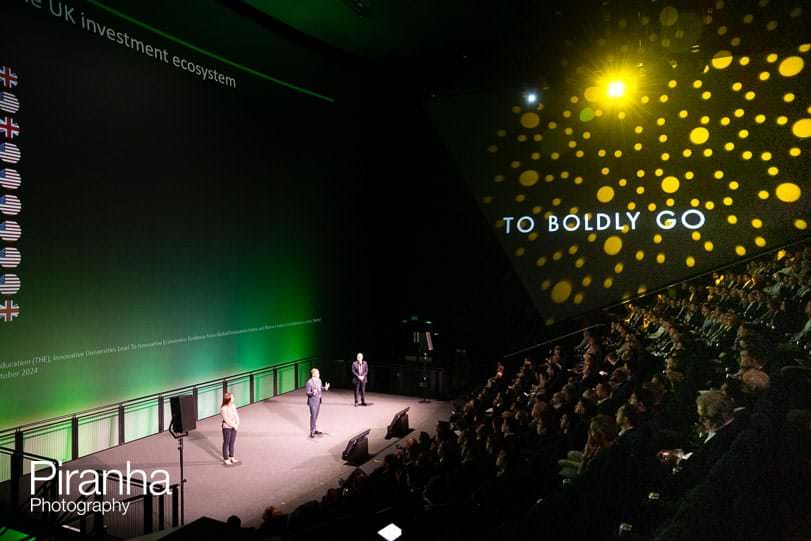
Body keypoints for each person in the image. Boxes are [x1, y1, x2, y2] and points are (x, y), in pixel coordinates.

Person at [306, 368, 330, 437]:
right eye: (317, 373)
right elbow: (307, 393)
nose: (319, 374)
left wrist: (325, 388)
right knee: (313, 416)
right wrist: (312, 393)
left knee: (316, 416)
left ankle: (315, 429)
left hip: (318, 401)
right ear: (313, 374)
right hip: (312, 401)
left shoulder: (319, 380)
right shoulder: (309, 382)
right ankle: (312, 431)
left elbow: (320, 388)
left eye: (319, 373)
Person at [220, 392, 240, 464]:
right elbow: (226, 419)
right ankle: (226, 458)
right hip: (227, 427)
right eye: (232, 397)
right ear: (228, 399)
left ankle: (232, 456)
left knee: (232, 442)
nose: (233, 398)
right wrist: (234, 425)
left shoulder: (233, 405)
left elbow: (236, 415)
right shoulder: (223, 408)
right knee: (226, 442)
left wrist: (237, 424)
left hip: (234, 426)